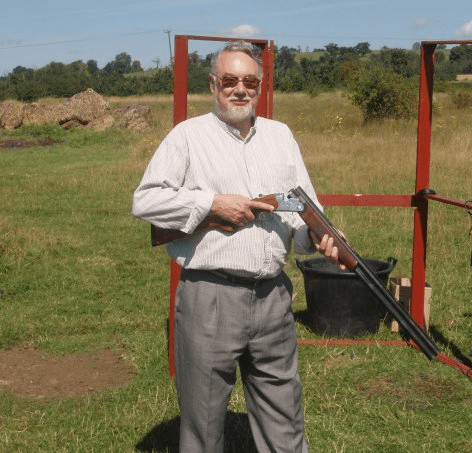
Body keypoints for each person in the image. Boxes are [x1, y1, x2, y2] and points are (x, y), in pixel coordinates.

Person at [132, 41, 339, 453]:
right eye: (229, 81)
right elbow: (146, 201)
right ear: (213, 84)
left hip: (273, 297)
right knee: (204, 426)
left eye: (249, 81)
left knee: (285, 417)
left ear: (260, 86)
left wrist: (319, 237)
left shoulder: (281, 136)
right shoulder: (187, 137)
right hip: (211, 296)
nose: (239, 89)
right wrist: (211, 204)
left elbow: (302, 208)